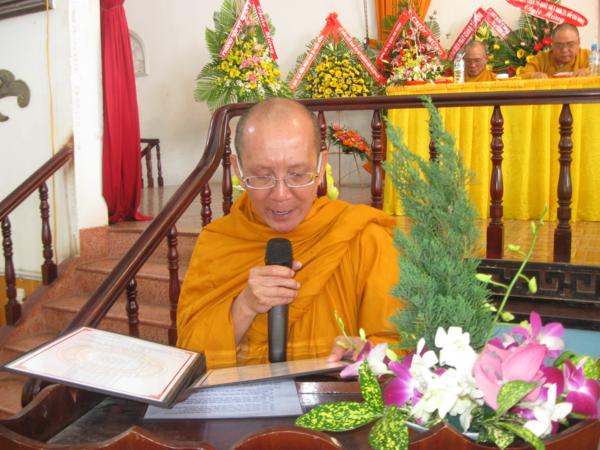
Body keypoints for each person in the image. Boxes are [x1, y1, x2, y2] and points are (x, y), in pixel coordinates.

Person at [176, 98, 401, 369]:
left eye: (297, 174)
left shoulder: (364, 237)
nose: (281, 195)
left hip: (336, 394)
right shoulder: (217, 243)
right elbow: (188, 357)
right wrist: (244, 307)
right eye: (262, 176)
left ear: (321, 166)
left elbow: (402, 345)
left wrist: (369, 354)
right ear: (238, 169)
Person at [521, 23, 590, 79]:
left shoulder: (587, 56)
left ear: (578, 42)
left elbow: (595, 68)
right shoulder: (541, 59)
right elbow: (521, 77)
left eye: (570, 44)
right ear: (552, 44)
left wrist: (589, 71)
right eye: (559, 45)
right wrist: (533, 75)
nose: (564, 50)